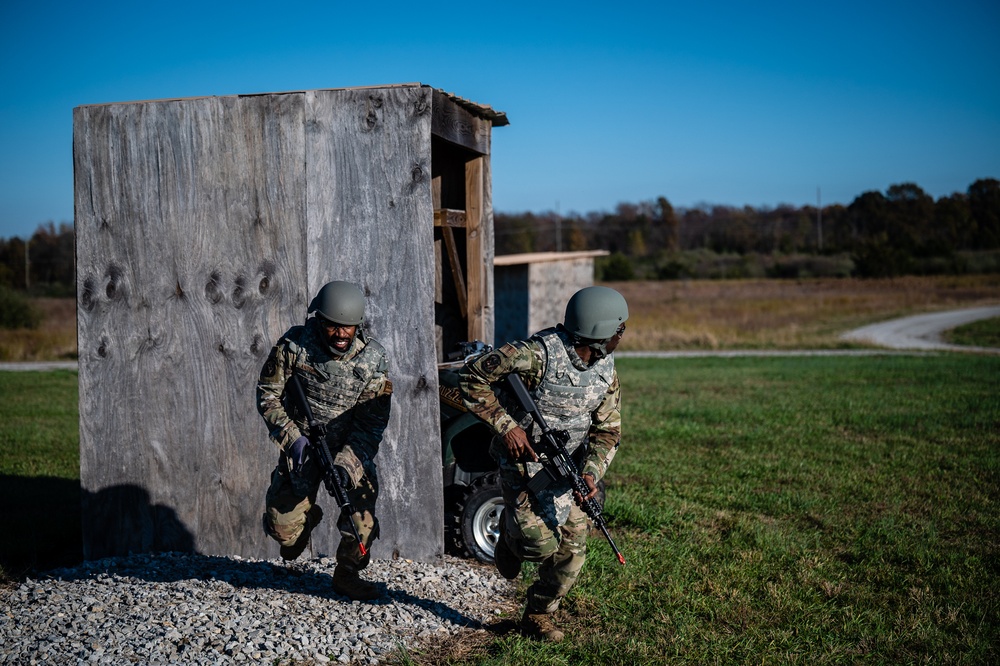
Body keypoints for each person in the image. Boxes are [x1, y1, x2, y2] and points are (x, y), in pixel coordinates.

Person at [457, 285, 628, 642]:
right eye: (619, 329)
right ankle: (509, 536)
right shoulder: (538, 354)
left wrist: (591, 472)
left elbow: (608, 431)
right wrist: (507, 427)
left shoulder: (605, 370)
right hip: (522, 466)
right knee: (540, 546)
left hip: (568, 469)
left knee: (572, 554)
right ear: (598, 333)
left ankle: (538, 614)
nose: (621, 335)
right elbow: (472, 377)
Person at [257, 280, 393, 601]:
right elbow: (268, 395)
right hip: (303, 448)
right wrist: (292, 439)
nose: (341, 334)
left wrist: (346, 467)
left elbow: (371, 425)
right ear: (320, 320)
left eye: (348, 327)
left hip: (349, 453)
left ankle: (346, 574)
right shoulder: (295, 345)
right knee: (283, 536)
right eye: (334, 326)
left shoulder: (374, 360)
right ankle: (305, 524)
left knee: (362, 528)